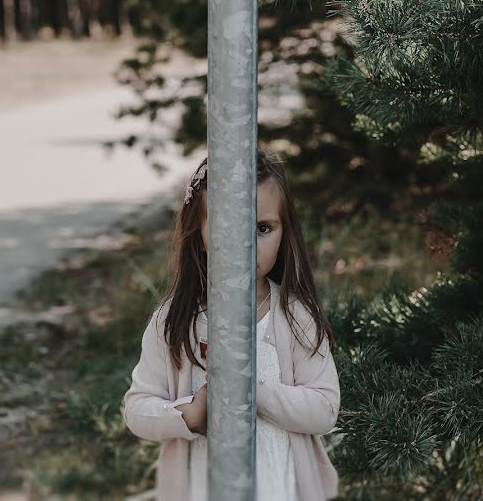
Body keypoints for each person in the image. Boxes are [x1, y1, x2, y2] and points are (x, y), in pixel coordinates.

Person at [121, 148, 340, 501]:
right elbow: (137, 408)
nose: (246, 245)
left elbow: (325, 409)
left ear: (284, 232)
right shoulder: (175, 321)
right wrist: (189, 415)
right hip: (203, 486)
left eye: (262, 228)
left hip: (278, 485)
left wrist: (250, 390)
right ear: (200, 232)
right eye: (228, 227)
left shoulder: (296, 315)